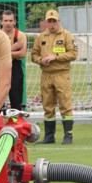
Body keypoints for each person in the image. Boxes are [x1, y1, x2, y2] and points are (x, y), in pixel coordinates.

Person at [30, 9, 79, 144]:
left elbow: (74, 54)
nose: (52, 24)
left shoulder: (66, 36)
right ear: (46, 23)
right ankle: (49, 136)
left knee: (65, 103)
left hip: (61, 74)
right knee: (48, 105)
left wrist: (55, 57)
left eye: (54, 21)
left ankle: (68, 135)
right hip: (46, 75)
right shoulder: (41, 37)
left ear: (59, 21)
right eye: (49, 21)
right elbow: (33, 55)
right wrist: (41, 60)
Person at [0, 10, 28, 110]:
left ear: (15, 21)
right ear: (1, 22)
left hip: (15, 69)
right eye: (6, 20)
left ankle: (15, 123)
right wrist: (13, 48)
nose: (8, 23)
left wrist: (3, 53)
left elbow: (22, 54)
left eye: (10, 20)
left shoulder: (20, 35)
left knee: (16, 101)